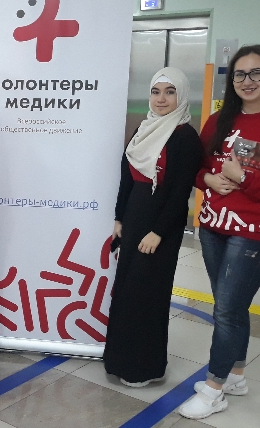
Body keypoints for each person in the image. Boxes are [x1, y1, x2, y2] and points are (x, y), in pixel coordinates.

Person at [178, 45, 260, 420]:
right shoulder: (217, 122)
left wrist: (244, 178)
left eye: (256, 73)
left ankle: (214, 389)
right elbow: (197, 167)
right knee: (232, 307)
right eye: (239, 74)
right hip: (212, 227)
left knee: (227, 310)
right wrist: (207, 179)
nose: (247, 81)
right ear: (231, 79)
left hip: (253, 233)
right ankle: (236, 376)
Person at [103, 67, 203, 387]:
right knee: (127, 291)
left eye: (170, 92)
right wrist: (119, 218)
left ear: (181, 96)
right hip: (134, 219)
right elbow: (127, 178)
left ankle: (143, 367)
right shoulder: (142, 129)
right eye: (156, 92)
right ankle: (119, 361)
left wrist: (158, 232)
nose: (161, 99)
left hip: (160, 226)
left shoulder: (185, 137)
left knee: (148, 295)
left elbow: (180, 193)